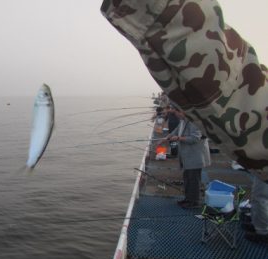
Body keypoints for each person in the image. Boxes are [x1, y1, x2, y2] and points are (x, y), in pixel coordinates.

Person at [100, 0, 267, 243]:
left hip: (195, 157)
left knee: (196, 181)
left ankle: (200, 204)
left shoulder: (197, 120)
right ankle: (195, 201)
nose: (178, 112)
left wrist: (177, 137)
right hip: (192, 156)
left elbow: (200, 133)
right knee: (193, 180)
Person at [164, 108, 211, 208]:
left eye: (177, 112)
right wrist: (167, 137)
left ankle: (194, 202)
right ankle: (187, 199)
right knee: (187, 178)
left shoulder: (194, 122)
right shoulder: (183, 121)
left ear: (183, 111)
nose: (176, 114)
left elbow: (194, 138)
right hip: (187, 156)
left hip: (195, 156)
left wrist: (178, 138)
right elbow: (176, 131)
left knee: (193, 179)